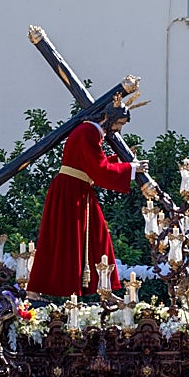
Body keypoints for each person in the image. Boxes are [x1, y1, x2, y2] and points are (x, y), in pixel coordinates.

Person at [26, 106, 148, 298]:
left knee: (93, 236)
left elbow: (91, 164)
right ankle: (40, 289)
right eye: (119, 123)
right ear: (107, 117)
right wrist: (131, 168)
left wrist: (121, 162)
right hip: (71, 191)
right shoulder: (88, 131)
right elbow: (99, 170)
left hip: (76, 189)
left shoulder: (89, 131)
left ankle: (103, 288)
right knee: (67, 240)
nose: (119, 129)